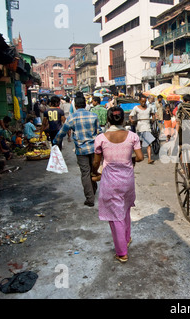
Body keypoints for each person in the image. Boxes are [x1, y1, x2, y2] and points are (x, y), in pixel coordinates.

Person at [92, 107, 144, 263]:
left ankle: (122, 252)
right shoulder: (133, 136)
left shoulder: (101, 138)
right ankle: (126, 238)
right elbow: (140, 157)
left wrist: (94, 172)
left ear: (108, 120)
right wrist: (130, 161)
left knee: (116, 216)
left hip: (110, 182)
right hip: (127, 181)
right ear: (123, 119)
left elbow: (96, 162)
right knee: (125, 208)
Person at [53, 92, 102, 207]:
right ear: (85, 105)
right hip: (94, 149)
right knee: (93, 170)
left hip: (81, 150)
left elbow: (62, 132)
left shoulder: (72, 117)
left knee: (85, 172)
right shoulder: (93, 116)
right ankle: (93, 191)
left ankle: (90, 198)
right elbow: (99, 132)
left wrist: (55, 142)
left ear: (75, 106)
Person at [129, 93, 155, 164]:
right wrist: (132, 120)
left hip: (147, 127)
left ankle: (149, 158)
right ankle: (139, 155)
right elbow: (130, 116)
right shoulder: (136, 108)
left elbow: (153, 115)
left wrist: (153, 119)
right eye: (142, 101)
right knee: (139, 142)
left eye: (144, 101)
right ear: (140, 101)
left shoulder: (150, 108)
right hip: (140, 127)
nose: (143, 103)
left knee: (149, 143)